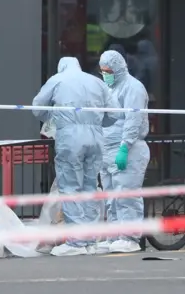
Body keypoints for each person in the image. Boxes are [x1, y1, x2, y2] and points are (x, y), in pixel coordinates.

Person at [32, 56, 121, 257]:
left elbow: (37, 108)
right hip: (96, 137)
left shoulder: (57, 80)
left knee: (70, 187)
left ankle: (76, 242)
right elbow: (115, 113)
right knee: (90, 186)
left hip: (70, 137)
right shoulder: (96, 82)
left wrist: (53, 117)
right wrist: (97, 123)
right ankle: (90, 240)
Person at [98, 50, 150, 254]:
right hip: (107, 149)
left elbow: (133, 120)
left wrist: (124, 147)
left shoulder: (133, 88)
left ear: (119, 68)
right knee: (112, 197)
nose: (105, 74)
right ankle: (114, 236)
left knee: (126, 195)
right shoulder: (108, 88)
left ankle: (130, 238)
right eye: (102, 71)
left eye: (108, 70)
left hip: (129, 149)